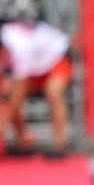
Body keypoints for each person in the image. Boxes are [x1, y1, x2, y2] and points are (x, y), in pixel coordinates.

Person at [0, 17, 71, 158]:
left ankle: (60, 144)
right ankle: (24, 140)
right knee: (8, 94)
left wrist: (3, 122)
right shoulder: (6, 38)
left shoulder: (18, 46)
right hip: (33, 68)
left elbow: (18, 89)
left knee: (53, 92)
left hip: (56, 59)